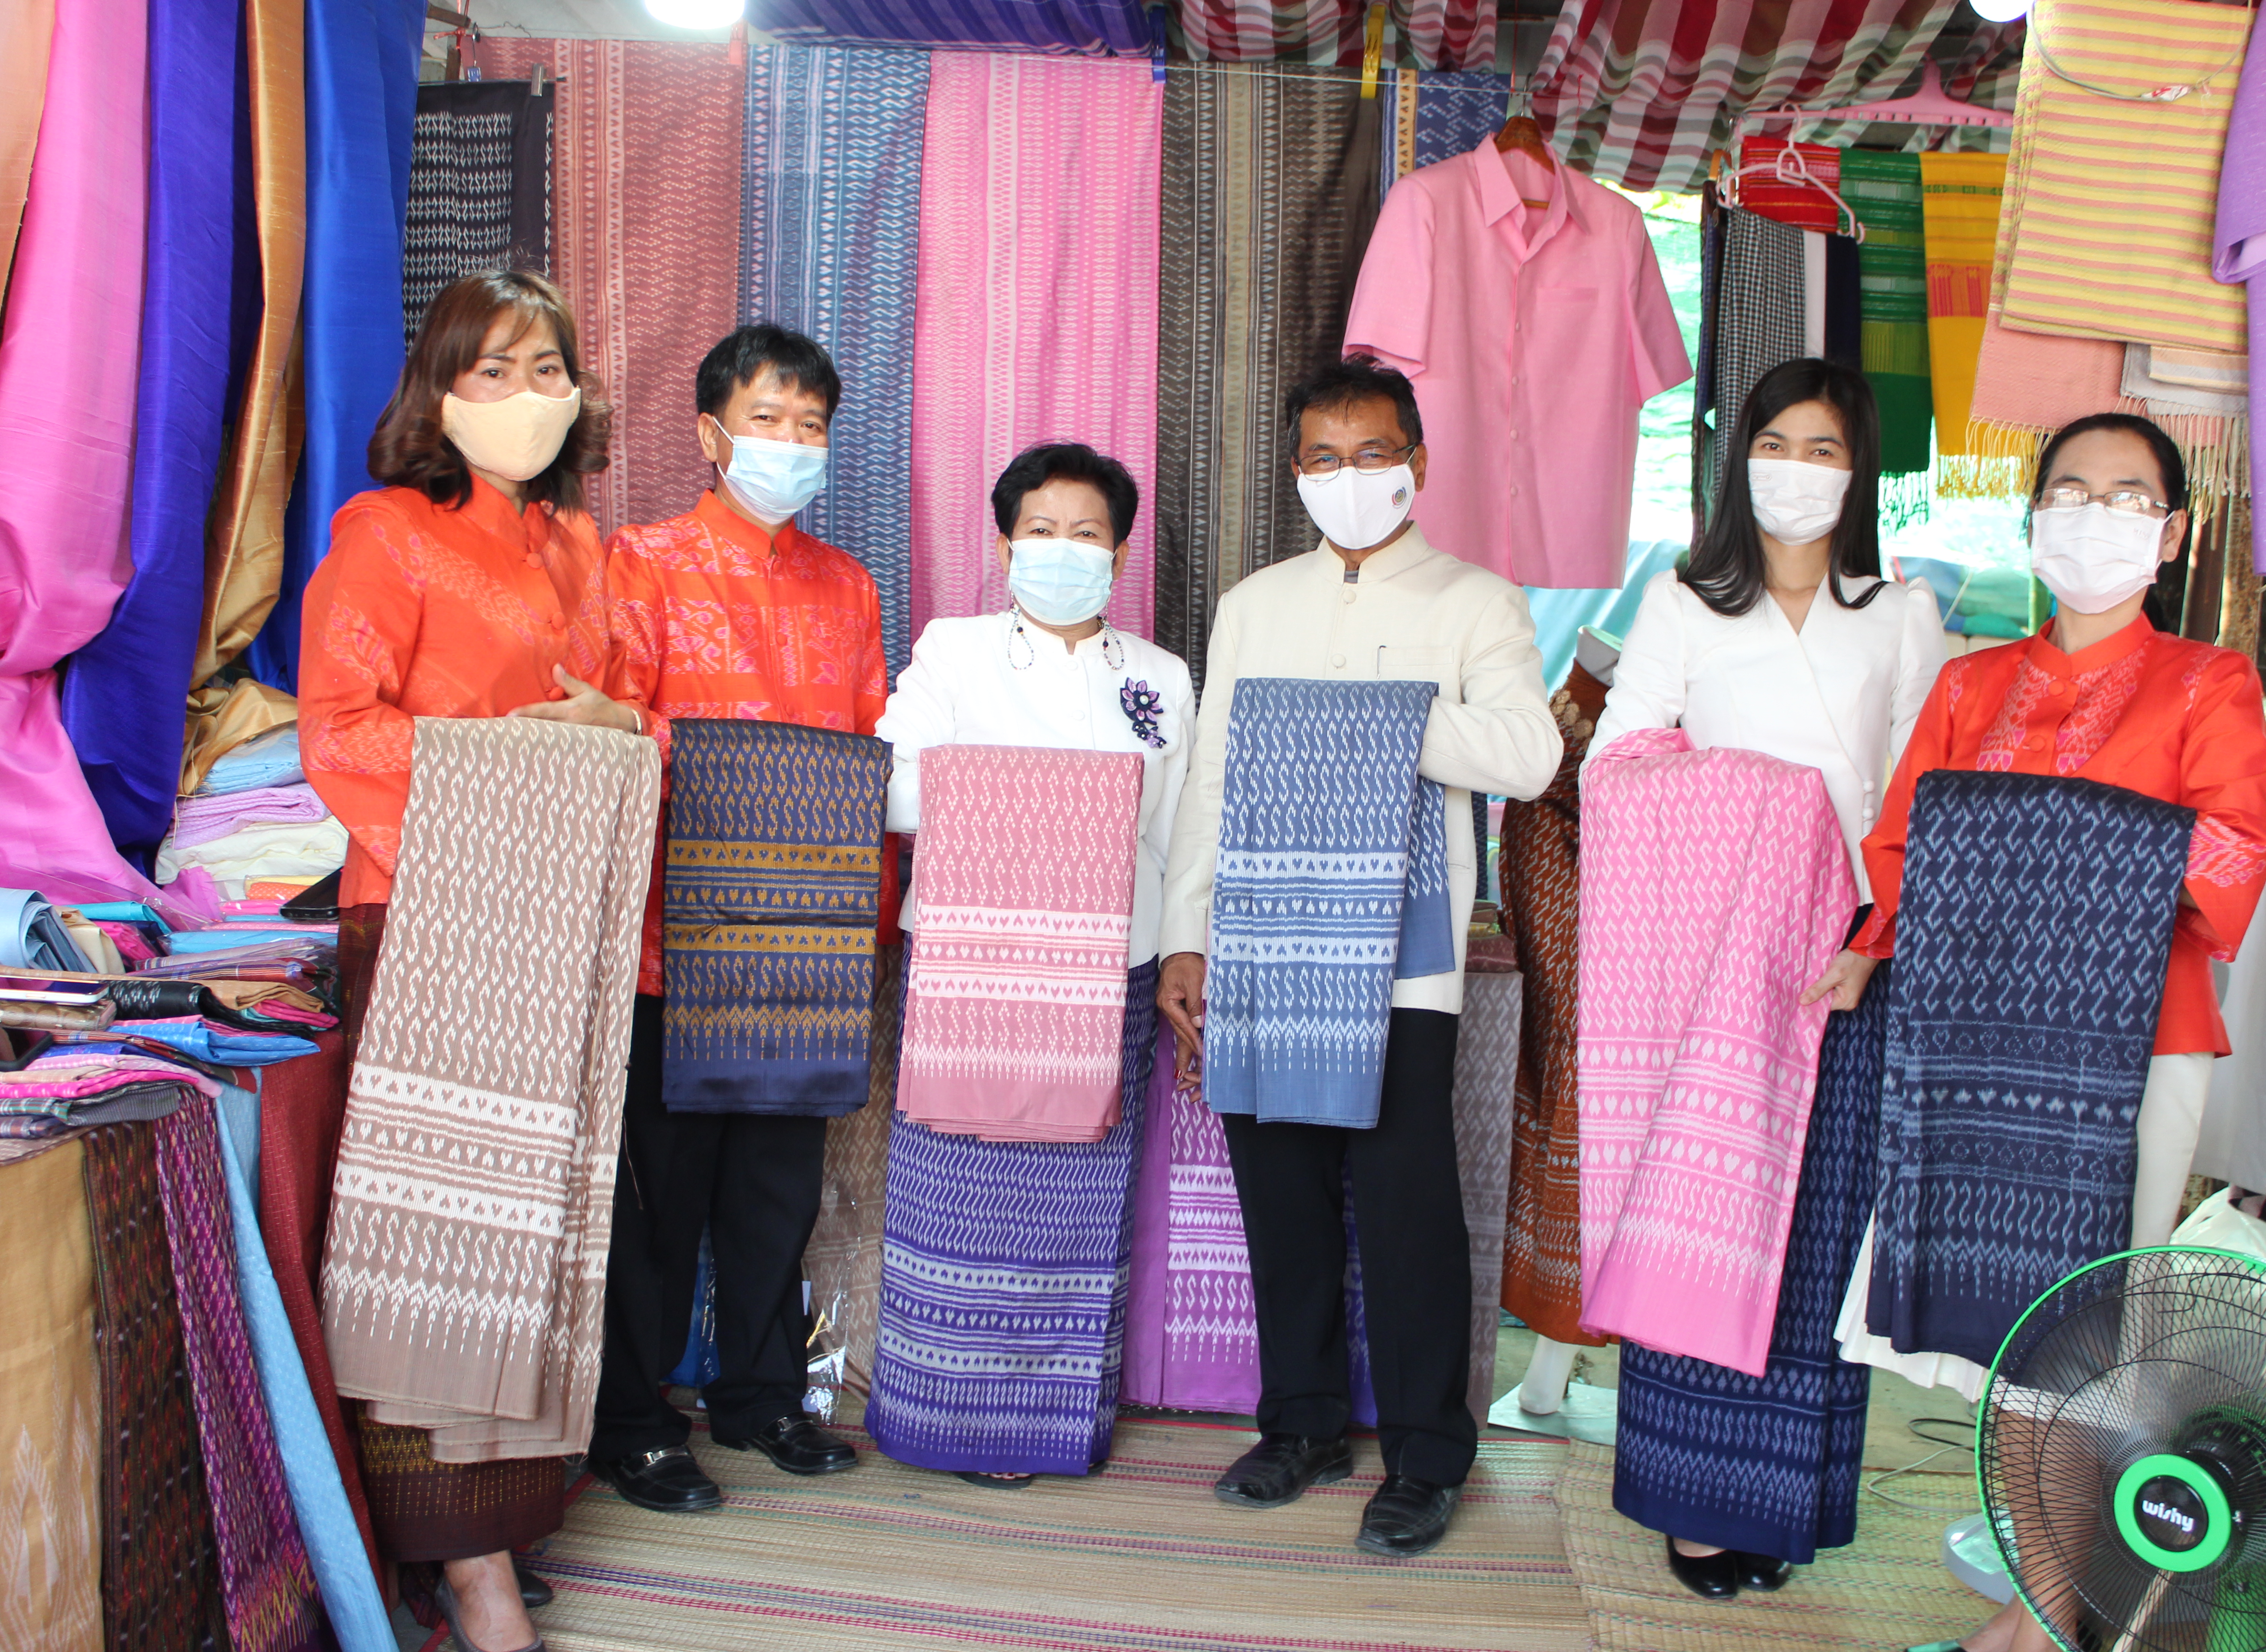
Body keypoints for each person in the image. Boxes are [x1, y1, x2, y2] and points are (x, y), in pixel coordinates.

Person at [1814, 412, 2266, 1652]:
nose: (2096, 514)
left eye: (2129, 496)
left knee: (2082, 1346)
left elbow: (2234, 857)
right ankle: (2038, 1617)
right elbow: (1904, 842)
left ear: (2172, 533)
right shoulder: (1971, 684)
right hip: (1966, 1046)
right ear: (2033, 519)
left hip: (2135, 1054)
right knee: (2005, 1354)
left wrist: (2046, 845)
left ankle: (2042, 1625)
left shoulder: (2209, 684)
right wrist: (1867, 956)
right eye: (2070, 491)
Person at [1157, 355, 1561, 1557]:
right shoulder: (1253, 603)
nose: (1351, 478)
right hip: (1265, 943)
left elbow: (1530, 756)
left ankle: (1429, 1458)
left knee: (1406, 1211)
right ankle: (1303, 1426)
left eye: (1374, 454)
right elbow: (1213, 777)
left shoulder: (1475, 602)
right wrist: (1189, 932)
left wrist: (1390, 716)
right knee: (1280, 1203)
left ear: (1419, 464)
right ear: (1297, 473)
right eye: (1325, 460)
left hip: (1403, 959)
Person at [300, 268, 647, 1652]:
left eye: (549, 368)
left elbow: (626, 721)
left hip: (557, 928)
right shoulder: (385, 531)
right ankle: (460, 1562)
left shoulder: (581, 549)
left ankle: (508, 1515)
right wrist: (532, 748)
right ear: (439, 392)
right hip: (433, 918)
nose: (525, 397)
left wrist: (613, 731)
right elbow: (338, 731)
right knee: (437, 1237)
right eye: (493, 370)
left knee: (538, 1234)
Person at [1580, 358, 1945, 1599]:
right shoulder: (1685, 604)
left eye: (1826, 448)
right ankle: (1691, 1503)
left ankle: (1777, 1505)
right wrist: (1773, 812)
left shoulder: (1902, 616)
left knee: (1810, 1239)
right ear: (1740, 459)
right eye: (1777, 442)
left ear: (1864, 472)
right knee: (1706, 1227)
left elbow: (1918, 798)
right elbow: (1618, 766)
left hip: (1847, 958)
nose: (1799, 468)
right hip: (1719, 964)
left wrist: (1871, 937)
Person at [583, 323, 892, 1514]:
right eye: (770, 421)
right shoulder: (642, 563)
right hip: (677, 935)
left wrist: (868, 914)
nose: (792, 444)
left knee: (778, 1190)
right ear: (712, 434)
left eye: (812, 426)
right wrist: (759, 768)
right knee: (663, 1193)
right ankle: (634, 1417)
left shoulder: (848, 584)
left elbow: (872, 753)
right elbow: (614, 725)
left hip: (805, 943)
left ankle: (763, 1398)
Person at [866, 442, 1195, 1486]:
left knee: (1075, 1209)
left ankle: (1049, 1423)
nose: (1063, 550)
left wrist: (1182, 939)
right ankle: (945, 1418)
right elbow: (894, 789)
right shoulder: (954, 650)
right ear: (1005, 544)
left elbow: (1182, 833)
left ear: (1122, 552)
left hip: (1114, 972)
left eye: (1087, 533)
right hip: (973, 968)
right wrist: (1056, 804)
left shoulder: (1161, 677)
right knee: (955, 1193)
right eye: (1041, 531)